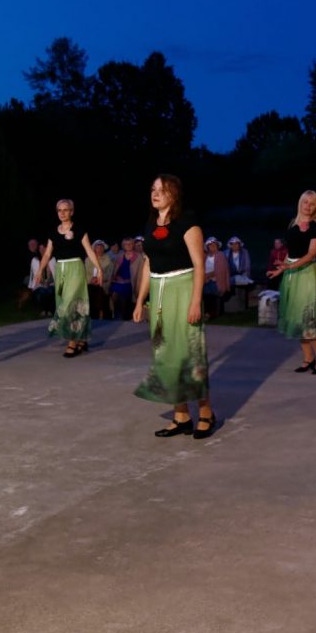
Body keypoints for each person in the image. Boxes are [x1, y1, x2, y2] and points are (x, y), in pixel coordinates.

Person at [133, 174, 216, 439]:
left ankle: (206, 413)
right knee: (166, 353)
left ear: (174, 194)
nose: (155, 193)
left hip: (183, 289)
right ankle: (181, 416)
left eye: (162, 190)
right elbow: (148, 263)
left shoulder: (187, 222)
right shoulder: (150, 224)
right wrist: (140, 300)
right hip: (159, 292)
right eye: (153, 189)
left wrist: (195, 301)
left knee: (190, 353)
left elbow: (200, 265)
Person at [266, 190, 316, 374]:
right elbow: (290, 252)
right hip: (291, 272)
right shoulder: (292, 224)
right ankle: (308, 357)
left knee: (306, 318)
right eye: (305, 202)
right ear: (300, 203)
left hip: (306, 272)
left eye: (312, 203)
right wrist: (281, 269)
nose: (308, 206)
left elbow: (311, 255)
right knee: (295, 317)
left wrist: (290, 267)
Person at [34, 199, 105, 357]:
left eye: (66, 210)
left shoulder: (79, 230)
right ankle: (81, 339)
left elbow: (89, 250)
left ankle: (72, 342)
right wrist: (40, 270)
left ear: (72, 212)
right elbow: (47, 253)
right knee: (63, 303)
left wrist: (99, 269)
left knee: (70, 305)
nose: (62, 213)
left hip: (75, 269)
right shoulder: (53, 233)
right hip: (60, 271)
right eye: (59, 210)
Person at [110, 237, 144, 320]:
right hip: (118, 282)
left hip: (130, 283)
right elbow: (114, 270)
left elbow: (140, 274)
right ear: (123, 246)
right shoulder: (120, 256)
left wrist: (138, 288)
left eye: (130, 244)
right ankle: (115, 316)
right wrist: (114, 278)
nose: (128, 245)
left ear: (133, 245)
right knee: (113, 296)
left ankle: (124, 318)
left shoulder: (139, 257)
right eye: (125, 244)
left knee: (124, 300)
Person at [202, 236, 231, 319]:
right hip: (206, 280)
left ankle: (212, 314)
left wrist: (208, 275)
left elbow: (221, 270)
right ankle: (207, 313)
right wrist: (205, 277)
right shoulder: (205, 256)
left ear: (217, 246)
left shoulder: (220, 255)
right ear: (207, 247)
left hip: (217, 281)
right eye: (210, 245)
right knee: (205, 294)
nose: (212, 246)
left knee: (212, 294)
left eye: (214, 245)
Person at [86, 239, 115, 320]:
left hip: (103, 284)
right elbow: (85, 272)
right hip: (90, 284)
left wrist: (99, 280)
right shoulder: (88, 259)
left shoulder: (108, 260)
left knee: (102, 297)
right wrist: (91, 280)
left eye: (101, 247)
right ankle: (92, 317)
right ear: (94, 248)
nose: (99, 249)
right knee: (90, 296)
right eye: (97, 247)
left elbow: (109, 274)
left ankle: (105, 318)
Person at [28, 243, 56, 316]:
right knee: (42, 291)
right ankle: (44, 310)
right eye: (40, 248)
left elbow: (55, 274)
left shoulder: (53, 259)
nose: (42, 250)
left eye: (44, 248)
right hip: (39, 283)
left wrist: (48, 282)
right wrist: (42, 283)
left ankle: (50, 310)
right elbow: (35, 274)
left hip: (52, 283)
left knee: (50, 291)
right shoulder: (35, 260)